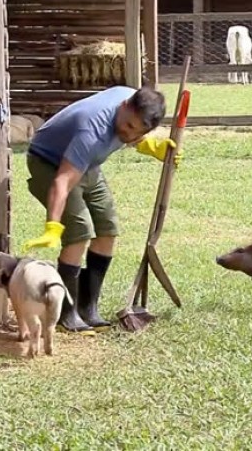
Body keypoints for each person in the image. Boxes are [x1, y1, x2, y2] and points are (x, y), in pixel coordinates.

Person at [21, 84, 182, 334]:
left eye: (137, 131)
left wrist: (151, 146)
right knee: (79, 231)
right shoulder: (92, 130)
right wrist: (52, 226)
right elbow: (62, 181)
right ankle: (66, 312)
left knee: (107, 228)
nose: (127, 135)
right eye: (127, 126)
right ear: (124, 106)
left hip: (88, 164)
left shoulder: (134, 108)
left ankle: (88, 306)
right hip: (48, 161)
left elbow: (133, 133)